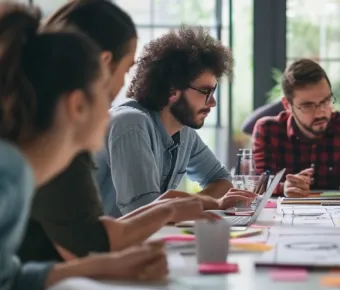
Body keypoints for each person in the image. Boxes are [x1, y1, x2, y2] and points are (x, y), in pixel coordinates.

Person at [18, 0, 226, 263]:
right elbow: (89, 246)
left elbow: (81, 242)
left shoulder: (33, 123)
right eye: (127, 68)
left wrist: (173, 207)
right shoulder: (60, 137)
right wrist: (168, 209)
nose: (120, 87)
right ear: (104, 64)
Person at [0, 5, 169, 290]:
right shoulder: (8, 176)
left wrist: (92, 268)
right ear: (77, 105)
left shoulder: (19, 173)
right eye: (103, 98)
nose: (110, 112)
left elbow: (6, 286)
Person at [95, 25, 254, 217]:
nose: (212, 102)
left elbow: (221, 180)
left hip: (146, 239)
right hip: (103, 245)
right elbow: (143, 211)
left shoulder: (184, 132)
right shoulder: (131, 123)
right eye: (206, 92)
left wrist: (198, 204)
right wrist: (211, 203)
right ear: (172, 90)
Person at [252, 59, 340, 197]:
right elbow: (260, 184)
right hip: (283, 215)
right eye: (308, 105)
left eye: (326, 101)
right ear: (287, 105)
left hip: (338, 215)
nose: (320, 112)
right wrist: (283, 188)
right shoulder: (268, 130)